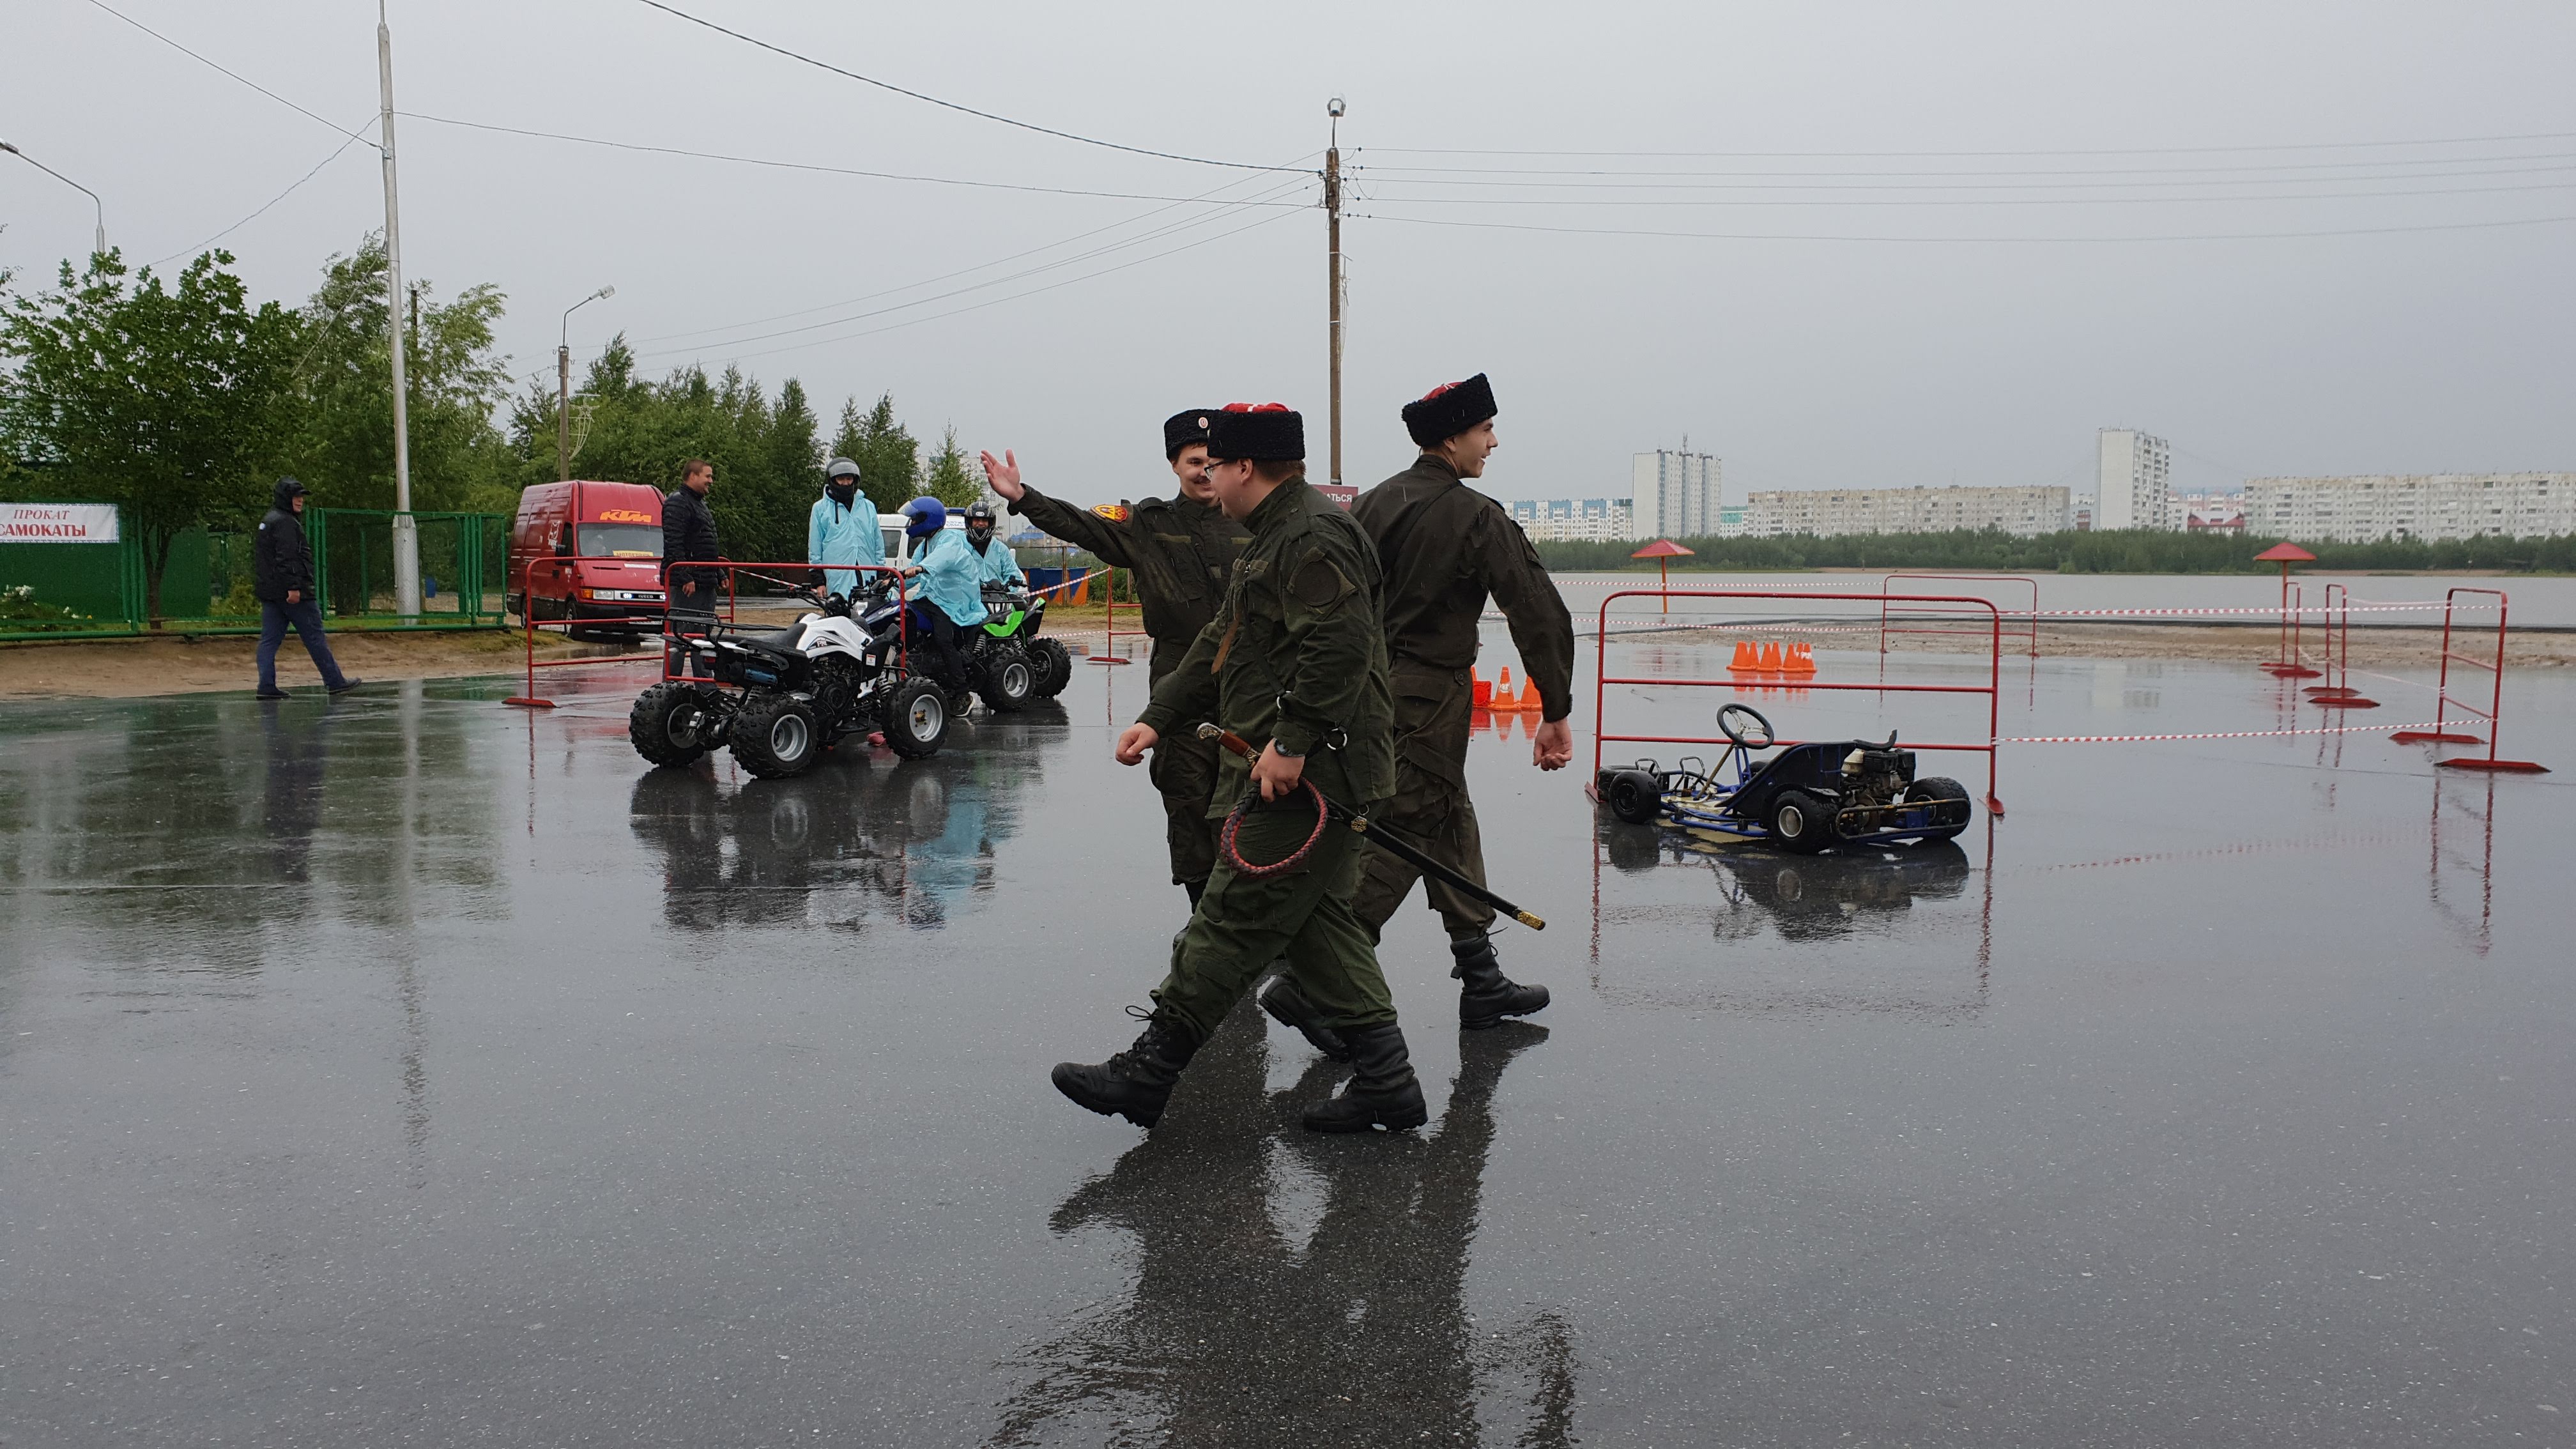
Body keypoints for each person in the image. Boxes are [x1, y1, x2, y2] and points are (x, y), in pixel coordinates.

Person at [1054, 402, 1422, 1135]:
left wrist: (1293, 740)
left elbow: (1342, 646)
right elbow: (1222, 637)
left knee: (1228, 914)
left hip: (1317, 773)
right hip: (1310, 765)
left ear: (1245, 467)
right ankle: (1388, 1082)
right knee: (1317, 926)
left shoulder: (1311, 535)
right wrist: (1160, 716)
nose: (1208, 477)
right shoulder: (1273, 536)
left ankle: (1148, 1074)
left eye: (1216, 464)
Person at [1266, 374, 1572, 1048]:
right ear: (1453, 438)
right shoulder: (1475, 515)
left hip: (1364, 691)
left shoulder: (1369, 505)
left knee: (1445, 817)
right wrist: (1555, 706)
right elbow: (1537, 609)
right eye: (1485, 430)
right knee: (1405, 829)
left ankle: (1481, 977)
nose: (1494, 442)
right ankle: (1313, 981)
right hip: (1430, 695)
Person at [981, 412, 1250, 904]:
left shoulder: (1253, 521)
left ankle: (1244, 918)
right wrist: (1021, 497)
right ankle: (1204, 916)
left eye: (1215, 461)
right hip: (1178, 684)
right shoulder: (1148, 523)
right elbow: (1081, 526)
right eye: (1195, 461)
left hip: (1248, 686)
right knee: (1187, 797)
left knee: (1248, 806)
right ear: (1175, 465)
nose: (1206, 470)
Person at [251, 477, 361, 698]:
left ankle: (266, 685)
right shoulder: (286, 523)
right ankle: (335, 681)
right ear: (285, 498)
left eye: (301, 496)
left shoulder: (269, 520)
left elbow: (265, 562)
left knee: (269, 640)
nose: (300, 500)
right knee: (315, 637)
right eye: (295, 496)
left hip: (272, 594)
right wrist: (294, 588)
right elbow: (288, 557)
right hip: (293, 594)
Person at [896, 496, 984, 698]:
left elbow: (941, 558)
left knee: (944, 640)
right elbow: (911, 574)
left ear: (928, 519)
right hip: (932, 598)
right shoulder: (925, 544)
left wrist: (921, 568)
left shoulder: (950, 540)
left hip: (953, 602)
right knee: (905, 616)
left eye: (915, 520)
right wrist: (891, 583)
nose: (912, 523)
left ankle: (962, 692)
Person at [661, 459, 723, 678]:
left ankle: (704, 686)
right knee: (679, 637)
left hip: (704, 580)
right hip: (687, 584)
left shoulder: (698, 503)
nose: (711, 481)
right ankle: (671, 684)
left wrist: (718, 572)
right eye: (708, 476)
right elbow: (674, 542)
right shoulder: (677, 503)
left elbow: (705, 543)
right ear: (693, 476)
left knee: (703, 638)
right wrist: (684, 576)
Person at [808, 456, 882, 601]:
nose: (846, 483)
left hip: (868, 580)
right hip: (837, 580)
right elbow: (815, 549)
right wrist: (819, 582)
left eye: (849, 479)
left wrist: (882, 575)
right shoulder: (820, 508)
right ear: (832, 480)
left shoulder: (868, 506)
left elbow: (878, 544)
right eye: (841, 479)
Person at [960, 502, 1025, 588]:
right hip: (968, 595)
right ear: (969, 522)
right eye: (976, 520)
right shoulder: (960, 547)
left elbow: (1013, 573)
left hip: (998, 596)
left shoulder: (1000, 549)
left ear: (991, 522)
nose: (981, 523)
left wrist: (1004, 588)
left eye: (984, 520)